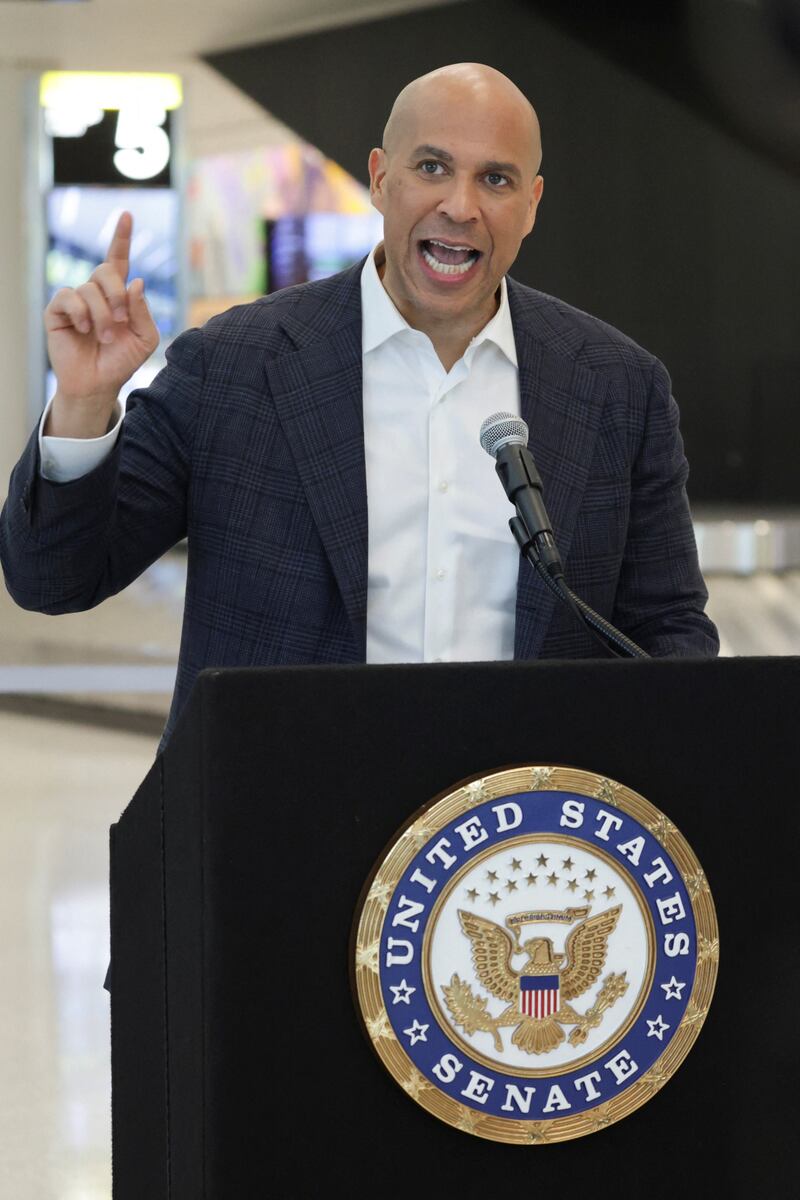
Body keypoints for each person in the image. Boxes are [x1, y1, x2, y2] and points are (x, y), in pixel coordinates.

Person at [0, 63, 718, 747]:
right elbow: (53, 580)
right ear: (379, 178)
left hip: (517, 824)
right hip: (279, 814)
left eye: (494, 179)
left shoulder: (618, 387)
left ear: (531, 205)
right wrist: (84, 403)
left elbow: (668, 632)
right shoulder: (231, 366)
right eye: (431, 167)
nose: (459, 206)